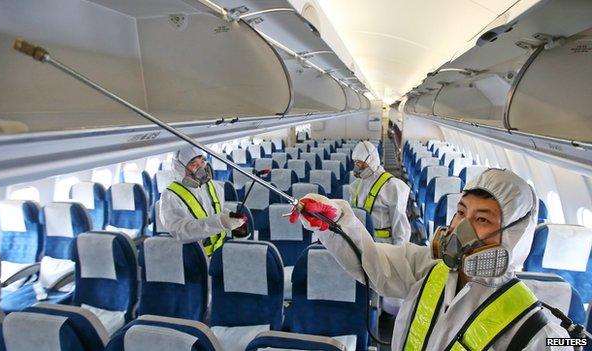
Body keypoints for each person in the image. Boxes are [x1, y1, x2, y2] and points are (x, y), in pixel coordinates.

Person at [295, 168, 573, 350]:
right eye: (461, 212)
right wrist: (335, 222)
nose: (461, 227)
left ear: (513, 235)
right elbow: (371, 261)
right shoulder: (428, 268)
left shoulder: (538, 331)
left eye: (482, 219)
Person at [159, 146, 245, 256]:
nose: (201, 168)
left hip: (220, 252)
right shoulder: (170, 196)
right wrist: (220, 222)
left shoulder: (213, 185)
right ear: (180, 168)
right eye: (194, 164)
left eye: (202, 162)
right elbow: (180, 231)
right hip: (196, 259)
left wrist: (230, 216)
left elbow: (216, 209)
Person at [350, 140, 411, 244]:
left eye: (360, 163)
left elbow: (400, 229)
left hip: (384, 246)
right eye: (355, 162)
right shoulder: (355, 185)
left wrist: (399, 254)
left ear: (370, 160)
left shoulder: (392, 186)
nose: (357, 167)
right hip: (360, 243)